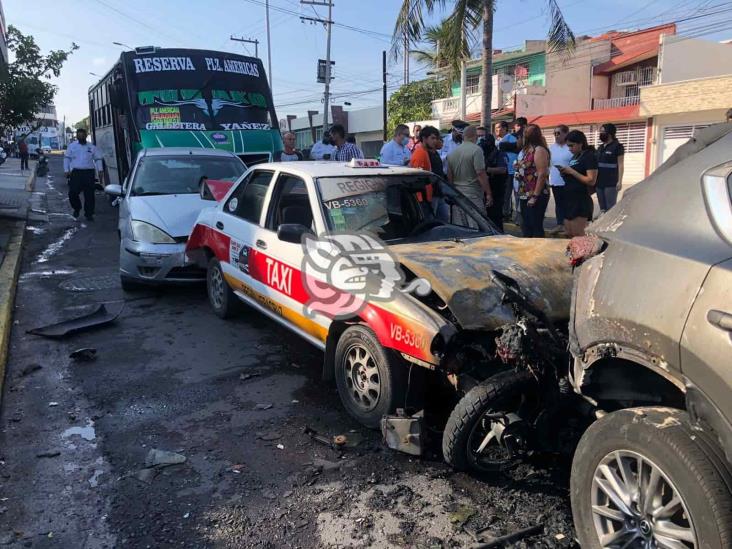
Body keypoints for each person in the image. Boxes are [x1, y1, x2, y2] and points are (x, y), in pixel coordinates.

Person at [447, 125, 492, 226]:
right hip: (473, 195)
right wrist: (488, 193)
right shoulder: (476, 150)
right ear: (475, 136)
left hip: (458, 195)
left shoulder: (452, 153)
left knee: (460, 227)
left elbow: (450, 177)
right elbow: (480, 173)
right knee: (478, 226)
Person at [558, 130, 598, 237]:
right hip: (569, 198)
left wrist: (571, 171)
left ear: (580, 143)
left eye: (572, 146)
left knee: (578, 235)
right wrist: (565, 174)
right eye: (568, 146)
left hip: (581, 199)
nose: (569, 149)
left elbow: (591, 180)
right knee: (569, 233)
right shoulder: (575, 156)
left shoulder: (589, 156)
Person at [514, 125, 550, 238]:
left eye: (525, 133)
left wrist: (535, 196)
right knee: (526, 225)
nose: (523, 136)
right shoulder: (526, 150)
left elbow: (542, 173)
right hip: (525, 191)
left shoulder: (539, 150)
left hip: (535, 192)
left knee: (535, 225)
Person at [64, 128, 103, 221]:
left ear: (86, 136)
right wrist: (66, 170)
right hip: (76, 173)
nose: (81, 137)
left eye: (83, 135)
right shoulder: (72, 146)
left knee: (89, 195)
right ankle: (77, 208)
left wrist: (100, 170)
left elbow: (98, 159)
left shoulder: (92, 147)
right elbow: (67, 158)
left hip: (89, 173)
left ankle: (89, 214)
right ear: (77, 136)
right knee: (72, 193)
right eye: (79, 135)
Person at [480, 134, 508, 232]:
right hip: (484, 189)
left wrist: (486, 170)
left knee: (496, 216)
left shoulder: (499, 153)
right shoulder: (481, 153)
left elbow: (503, 169)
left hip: (497, 188)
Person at [595, 123, 624, 213]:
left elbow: (621, 164)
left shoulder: (617, 147)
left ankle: (610, 226)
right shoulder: (600, 147)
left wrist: (619, 181)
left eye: (603, 132)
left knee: (610, 208)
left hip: (610, 182)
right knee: (602, 208)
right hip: (599, 182)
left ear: (610, 133)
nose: (601, 134)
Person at [548, 125, 573, 229]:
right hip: (555, 181)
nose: (556, 136)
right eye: (555, 133)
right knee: (559, 204)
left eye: (558, 133)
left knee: (569, 204)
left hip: (569, 181)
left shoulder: (570, 147)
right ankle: (560, 224)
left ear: (566, 133)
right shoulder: (551, 148)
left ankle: (569, 225)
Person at [494, 121, 517, 221]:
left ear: (504, 128)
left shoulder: (511, 138)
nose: (496, 130)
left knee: (513, 194)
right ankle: (505, 213)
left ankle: (512, 216)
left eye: (498, 127)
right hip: (502, 171)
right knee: (504, 194)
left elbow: (516, 151)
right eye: (495, 128)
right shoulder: (497, 140)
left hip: (512, 171)